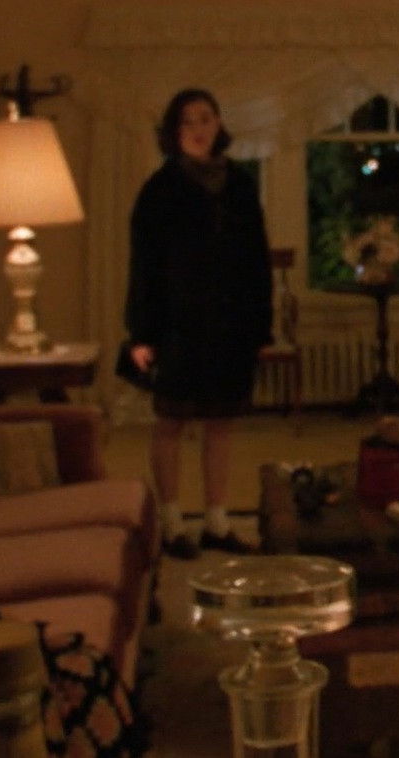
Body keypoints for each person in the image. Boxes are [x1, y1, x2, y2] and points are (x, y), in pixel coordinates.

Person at [124, 88, 274, 559]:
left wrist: (261, 326)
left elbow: (257, 260)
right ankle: (172, 522)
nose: (198, 129)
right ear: (174, 131)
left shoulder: (241, 184)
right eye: (188, 121)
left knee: (221, 424)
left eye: (205, 118)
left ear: (218, 124)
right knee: (171, 422)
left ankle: (216, 520)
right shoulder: (159, 190)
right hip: (177, 325)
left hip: (231, 323)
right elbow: (144, 267)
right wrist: (141, 332)